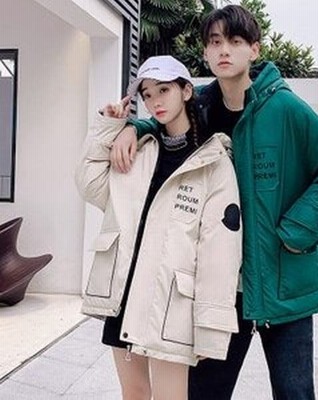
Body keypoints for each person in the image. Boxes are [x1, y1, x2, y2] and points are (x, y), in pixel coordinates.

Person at [109, 5, 318, 400]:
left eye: (235, 41)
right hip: (223, 290)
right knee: (205, 393)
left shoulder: (285, 108)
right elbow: (164, 121)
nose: (224, 50)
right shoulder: (201, 108)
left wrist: (296, 229)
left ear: (254, 49)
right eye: (214, 42)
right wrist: (133, 127)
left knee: (294, 392)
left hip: (282, 282)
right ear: (205, 53)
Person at [75, 55, 242, 400]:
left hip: (170, 307)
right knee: (134, 393)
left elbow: (219, 255)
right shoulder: (139, 150)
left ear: (186, 91)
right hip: (125, 295)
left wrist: (210, 328)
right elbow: (90, 185)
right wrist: (109, 127)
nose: (155, 102)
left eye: (164, 90)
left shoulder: (213, 162)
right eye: (148, 94)